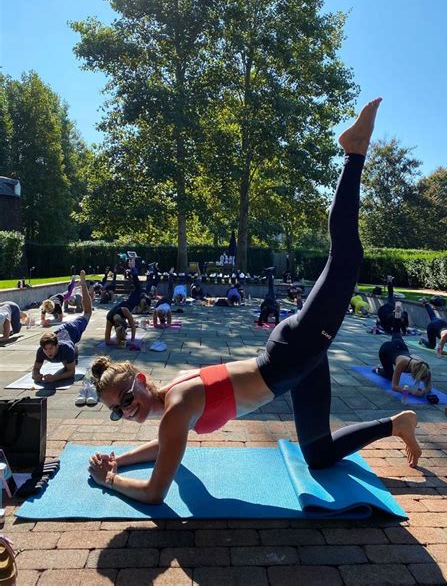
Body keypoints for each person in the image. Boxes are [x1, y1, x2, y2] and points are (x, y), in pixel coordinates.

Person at [88, 98, 422, 507]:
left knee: (346, 258)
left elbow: (156, 493)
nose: (126, 410)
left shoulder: (175, 410)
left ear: (139, 379)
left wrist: (108, 481)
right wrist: (119, 461)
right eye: (117, 411)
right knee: (317, 454)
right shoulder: (170, 403)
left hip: (291, 355)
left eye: (125, 398)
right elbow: (163, 446)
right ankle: (398, 423)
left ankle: (354, 153)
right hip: (294, 363)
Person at [32, 271, 91, 384]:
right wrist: (36, 375)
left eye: (50, 348)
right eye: (46, 349)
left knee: (87, 313)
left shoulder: (66, 349)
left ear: (57, 346)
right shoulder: (41, 351)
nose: (48, 352)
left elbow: (71, 372)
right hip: (60, 332)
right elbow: (35, 369)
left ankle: (83, 284)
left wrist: (54, 378)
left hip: (72, 329)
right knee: (66, 361)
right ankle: (74, 352)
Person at [374, 316, 432, 397]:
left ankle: (397, 313)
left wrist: (425, 390)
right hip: (386, 349)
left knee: (396, 330)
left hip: (400, 346)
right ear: (414, 372)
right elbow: (394, 387)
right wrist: (411, 391)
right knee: (390, 376)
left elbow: (428, 384)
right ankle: (378, 369)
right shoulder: (402, 363)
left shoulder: (423, 365)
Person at [104, 259, 141, 346]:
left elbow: (132, 325)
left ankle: (133, 268)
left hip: (130, 303)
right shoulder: (110, 318)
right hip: (128, 304)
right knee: (139, 289)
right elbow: (107, 341)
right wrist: (117, 342)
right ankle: (133, 268)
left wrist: (132, 340)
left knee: (138, 288)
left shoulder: (123, 311)